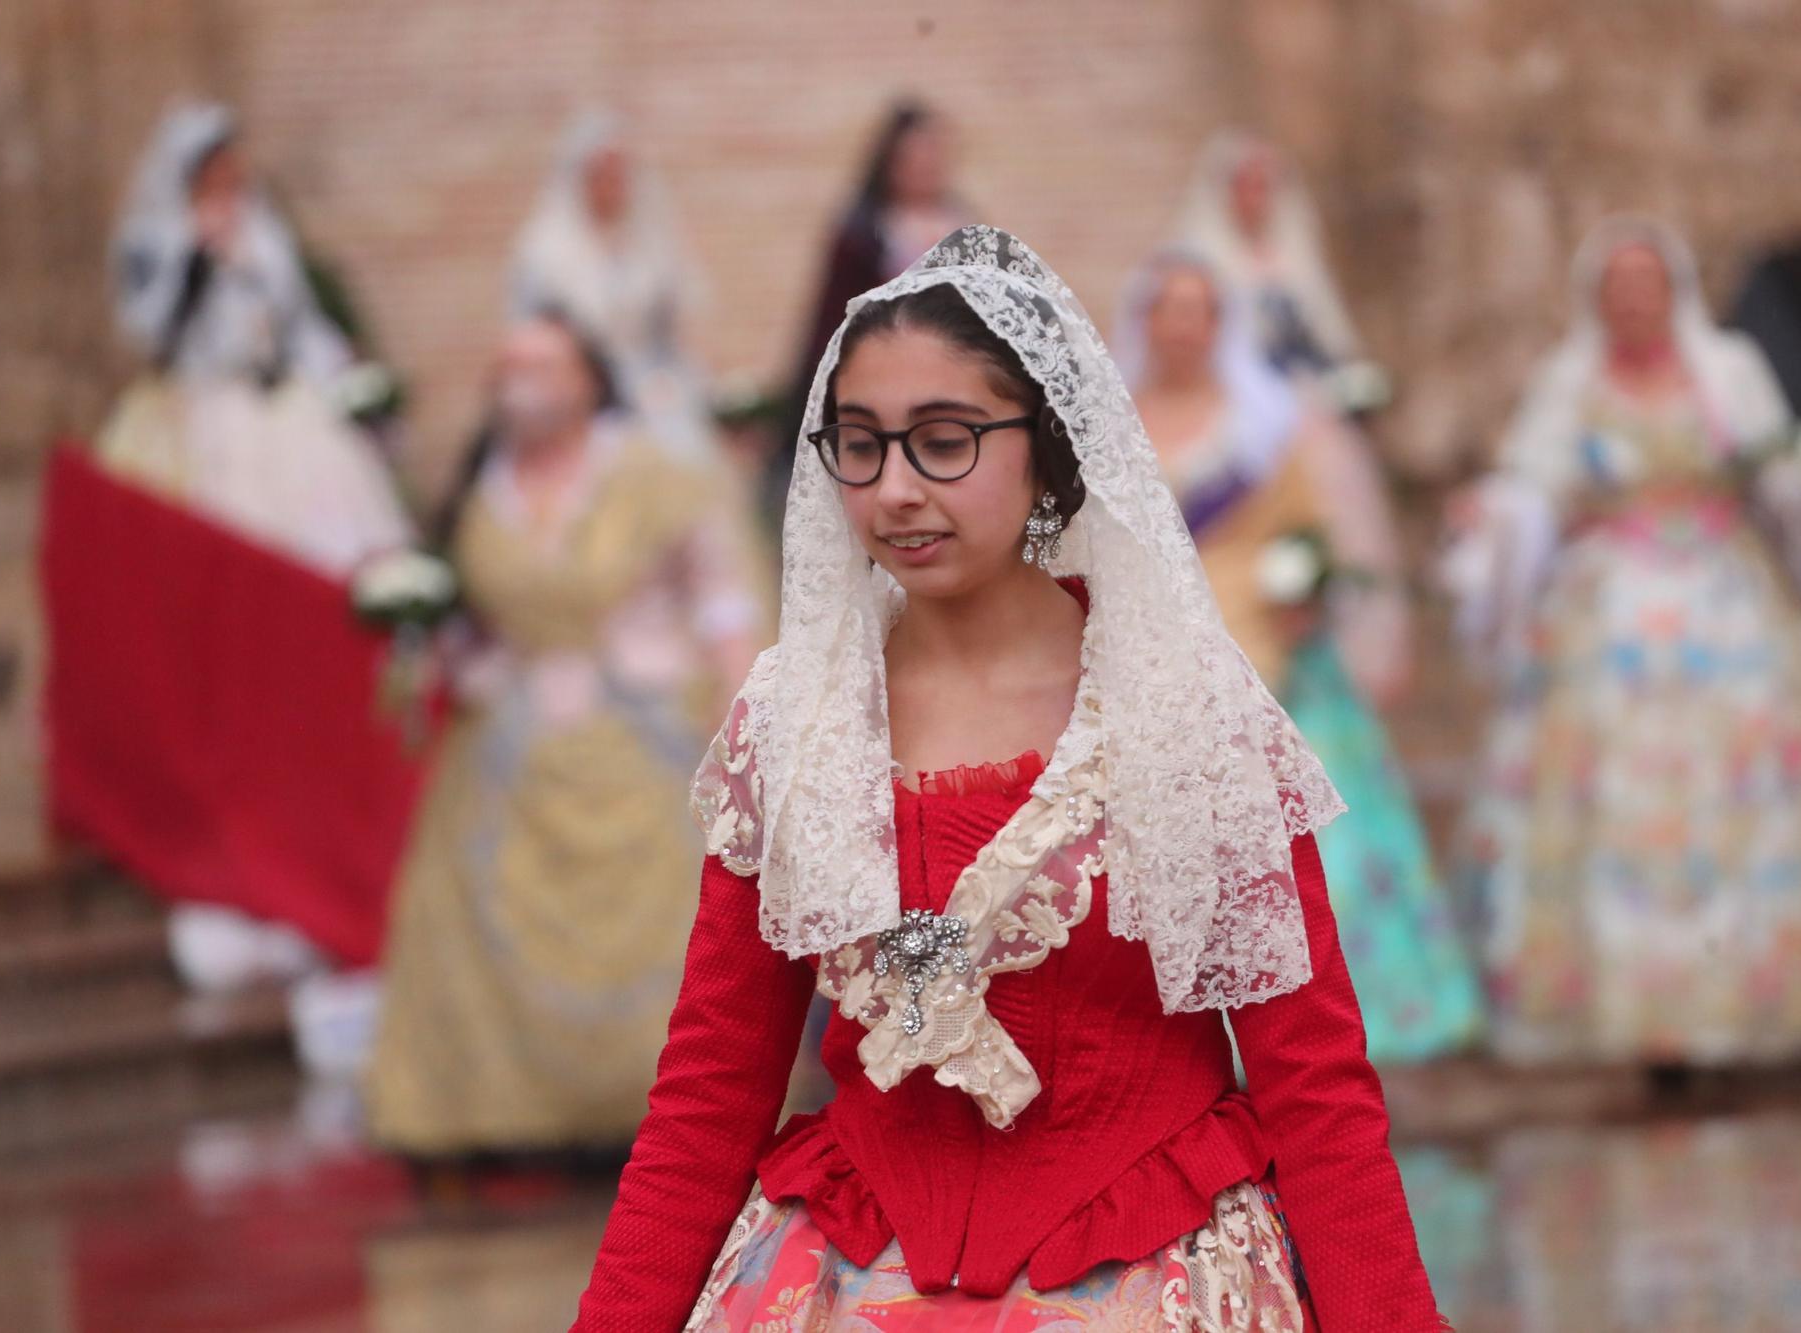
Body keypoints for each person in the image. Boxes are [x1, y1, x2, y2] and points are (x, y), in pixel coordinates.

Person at [571, 227, 1445, 1329]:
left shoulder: (1180, 712)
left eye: (943, 441)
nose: (893, 490)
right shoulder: (796, 724)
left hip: (1149, 1273)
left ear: (1043, 444)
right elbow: (708, 1097)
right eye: (859, 445)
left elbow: (1312, 1087)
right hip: (842, 1275)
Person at [1449, 215, 1801, 1065]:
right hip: (1609, 614)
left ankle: (1766, 999)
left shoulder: (1731, 371)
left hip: (1731, 604)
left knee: (1754, 792)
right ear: (1597, 300)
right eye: (1618, 290)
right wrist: (1493, 515)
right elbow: (1536, 485)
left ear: (1673, 295)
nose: (1635, 305)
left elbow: (1772, 473)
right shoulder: (1573, 382)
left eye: (1649, 288)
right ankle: (1630, 1011)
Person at [364, 315, 765, 1163]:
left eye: (544, 363)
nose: (523, 381)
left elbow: (722, 594)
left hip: (643, 727)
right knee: (475, 902)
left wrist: (736, 710)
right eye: (507, 364)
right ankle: (506, 1123)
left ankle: (667, 1118)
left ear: (589, 379)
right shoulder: (483, 486)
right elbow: (470, 610)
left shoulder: (653, 474)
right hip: (511, 739)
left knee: (671, 922)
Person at [1120, 249, 1481, 1065]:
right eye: (1167, 308)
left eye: (1199, 308)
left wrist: (1302, 581)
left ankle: (1343, 1017)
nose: (1182, 325)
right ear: (1144, 322)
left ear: (1221, 322)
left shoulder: (1265, 425)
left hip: (1265, 644)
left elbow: (1309, 524)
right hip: (1151, 647)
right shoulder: (1115, 424)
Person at [100, 102, 409, 575]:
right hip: (198, 406)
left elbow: (294, 316)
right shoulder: (158, 238)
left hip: (277, 398)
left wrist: (338, 366)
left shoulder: (263, 233)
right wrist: (198, 261)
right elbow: (154, 331)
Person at [761, 100, 972, 527]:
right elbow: (832, 319)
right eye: (915, 156)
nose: (926, 166)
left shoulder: (962, 224)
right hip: (883, 373)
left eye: (935, 154)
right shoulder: (863, 233)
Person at [510, 108, 717, 463]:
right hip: (581, 400)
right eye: (600, 175)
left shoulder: (649, 243)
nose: (611, 186)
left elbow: (666, 326)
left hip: (654, 388)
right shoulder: (547, 254)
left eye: (619, 175)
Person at [1173, 129, 1367, 383]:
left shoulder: (1294, 252)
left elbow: (1324, 323)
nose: (1255, 199)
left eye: (1262, 187)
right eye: (1246, 186)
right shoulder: (1199, 255)